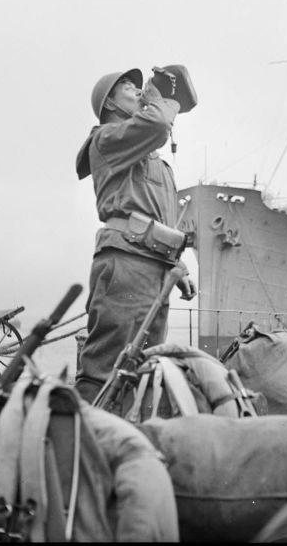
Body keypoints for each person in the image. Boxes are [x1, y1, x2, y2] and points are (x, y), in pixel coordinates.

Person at [74, 68, 196, 403]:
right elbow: (157, 124)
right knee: (105, 371)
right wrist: (162, 98)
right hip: (127, 265)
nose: (139, 89)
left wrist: (177, 265)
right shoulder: (107, 139)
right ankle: (81, 445)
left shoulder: (153, 160)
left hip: (155, 268)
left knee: (145, 372)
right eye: (128, 86)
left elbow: (163, 217)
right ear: (109, 103)